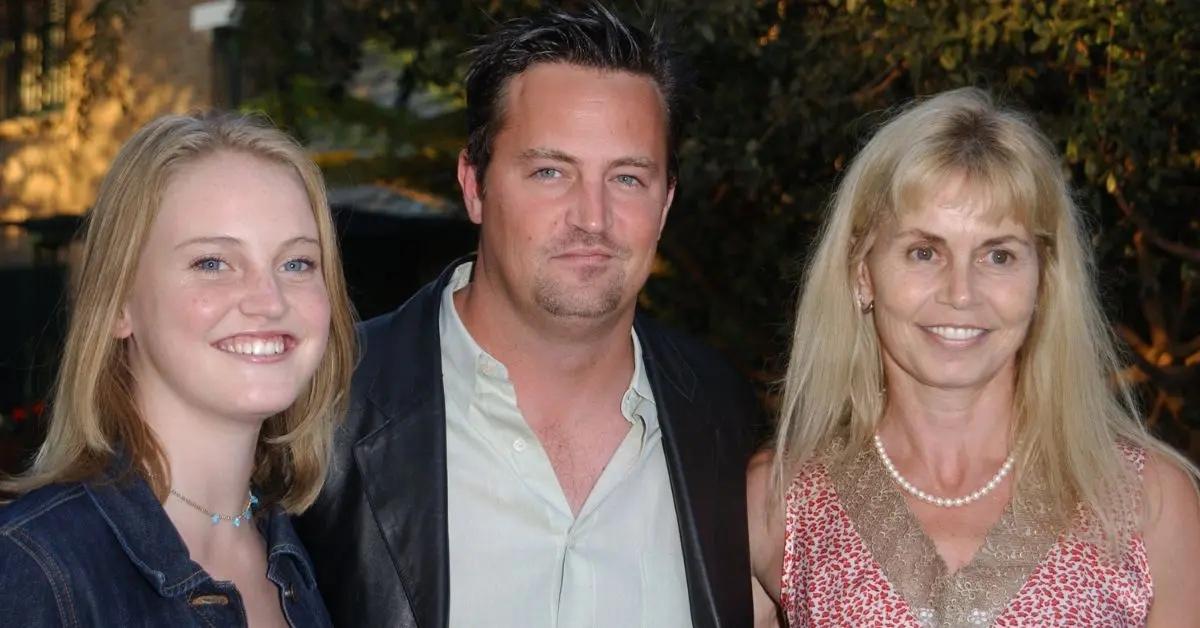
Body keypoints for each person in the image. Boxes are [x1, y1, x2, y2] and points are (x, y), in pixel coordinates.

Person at [295, 4, 762, 627]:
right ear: (473, 184)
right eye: (550, 171)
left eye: (627, 177)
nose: (591, 218)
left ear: (667, 200)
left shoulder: (724, 420)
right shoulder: (325, 410)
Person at [746, 87, 1200, 626]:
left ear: (1043, 282)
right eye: (924, 252)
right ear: (862, 273)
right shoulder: (779, 502)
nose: (961, 292)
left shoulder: (1147, 503)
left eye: (999, 255)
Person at [0, 113, 356, 626]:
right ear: (120, 302)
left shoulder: (299, 560)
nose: (269, 300)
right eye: (212, 262)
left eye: (297, 263)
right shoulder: (36, 570)